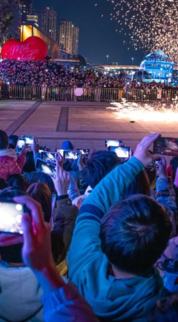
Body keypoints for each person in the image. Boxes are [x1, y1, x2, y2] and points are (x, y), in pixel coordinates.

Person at [68, 134, 172, 321]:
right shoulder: (166, 307)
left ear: (105, 234)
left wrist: (135, 162)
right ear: (161, 253)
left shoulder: (82, 260)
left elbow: (94, 202)